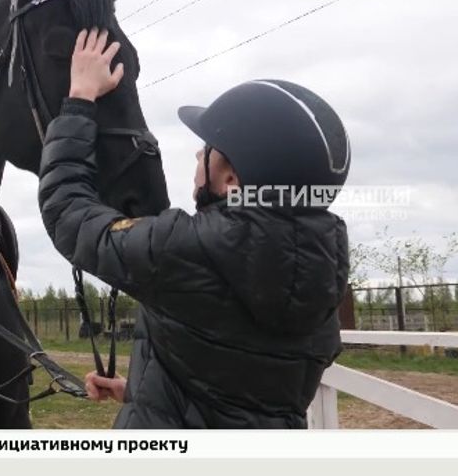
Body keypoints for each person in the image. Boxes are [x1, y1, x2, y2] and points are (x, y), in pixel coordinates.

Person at [38, 28, 350, 428]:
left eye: (209, 150)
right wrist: (139, 392)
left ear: (231, 180)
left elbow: (67, 213)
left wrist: (79, 99)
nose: (198, 153)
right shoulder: (321, 275)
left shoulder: (189, 248)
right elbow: (236, 387)